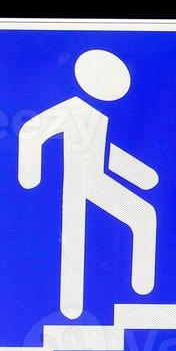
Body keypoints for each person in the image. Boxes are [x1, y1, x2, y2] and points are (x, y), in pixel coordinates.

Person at [18, 49, 159, 319]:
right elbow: (32, 133)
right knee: (74, 238)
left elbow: (107, 154)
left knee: (143, 216)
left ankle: (144, 292)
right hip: (75, 184)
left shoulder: (97, 117)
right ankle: (70, 310)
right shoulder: (72, 109)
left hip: (97, 181)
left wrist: (142, 177)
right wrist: (30, 175)